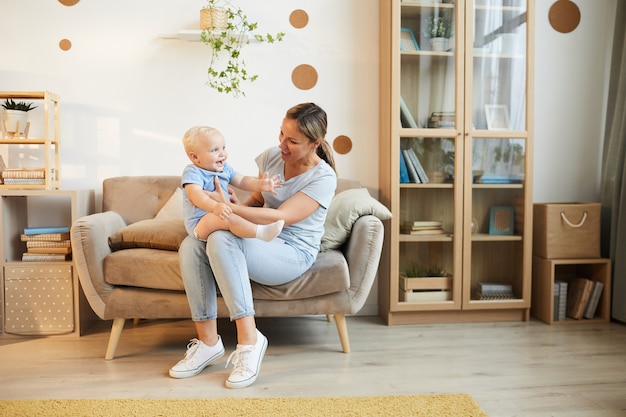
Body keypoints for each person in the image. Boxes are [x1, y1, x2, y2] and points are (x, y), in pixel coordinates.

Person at [170, 103, 337, 389]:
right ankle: (209, 342)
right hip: (259, 237)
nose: (281, 145)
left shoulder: (323, 178)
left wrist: (226, 210)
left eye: (292, 141)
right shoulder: (273, 157)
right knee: (192, 244)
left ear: (314, 144)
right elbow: (258, 202)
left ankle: (250, 340)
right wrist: (234, 206)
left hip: (291, 251)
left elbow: (279, 216)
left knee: (221, 236)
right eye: (281, 134)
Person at [181, 126, 285, 242]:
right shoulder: (193, 172)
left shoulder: (224, 168)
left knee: (233, 216)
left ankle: (260, 235)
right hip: (200, 222)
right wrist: (215, 207)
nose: (222, 154)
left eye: (223, 148)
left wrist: (259, 184)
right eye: (215, 150)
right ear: (195, 157)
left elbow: (241, 180)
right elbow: (196, 196)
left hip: (221, 211)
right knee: (227, 217)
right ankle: (260, 232)